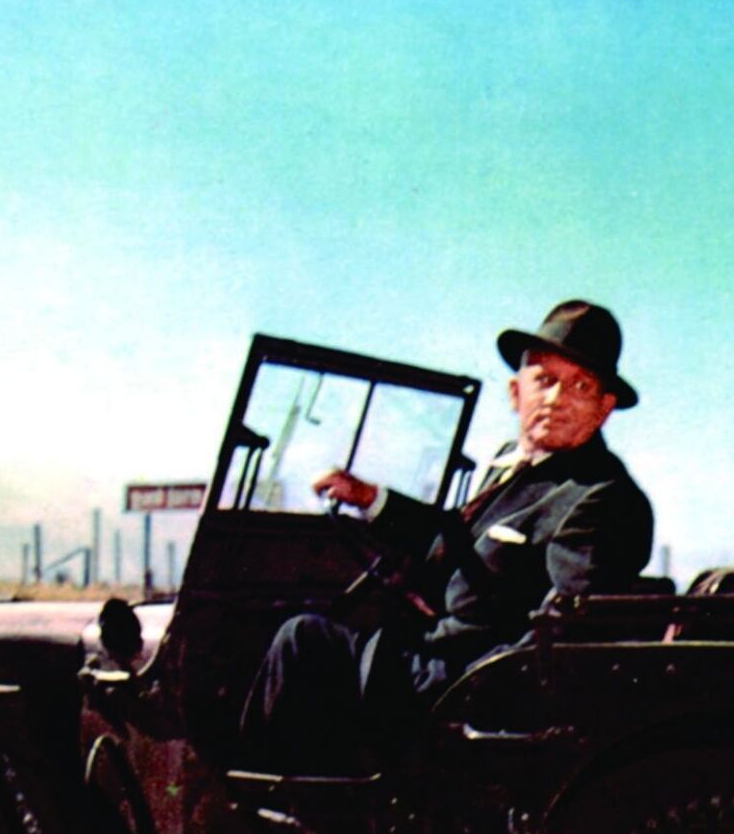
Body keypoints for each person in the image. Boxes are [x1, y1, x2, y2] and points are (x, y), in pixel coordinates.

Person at [239, 300, 653, 772]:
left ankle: (268, 804)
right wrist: (369, 498)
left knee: (304, 641)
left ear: (604, 408)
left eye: (580, 386)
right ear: (515, 393)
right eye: (545, 380)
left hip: (462, 684)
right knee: (302, 637)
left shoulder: (600, 497)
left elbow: (570, 635)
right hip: (431, 655)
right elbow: (460, 536)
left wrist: (467, 692)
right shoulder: (518, 466)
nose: (558, 398)